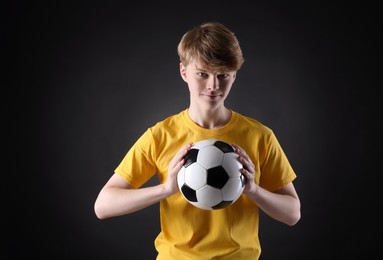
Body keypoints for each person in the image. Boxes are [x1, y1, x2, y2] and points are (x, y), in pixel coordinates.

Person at [94, 21, 301, 259]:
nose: (213, 86)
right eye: (203, 74)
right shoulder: (161, 136)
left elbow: (293, 213)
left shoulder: (260, 136)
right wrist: (165, 189)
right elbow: (103, 206)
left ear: (234, 75)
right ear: (184, 72)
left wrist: (253, 190)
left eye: (222, 75)